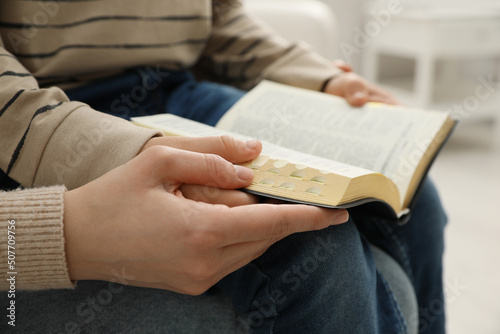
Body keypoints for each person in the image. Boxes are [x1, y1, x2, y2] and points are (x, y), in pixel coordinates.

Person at [0, 0, 447, 333]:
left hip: (177, 90)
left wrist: (320, 77)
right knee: (311, 237)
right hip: (51, 110)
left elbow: (218, 19)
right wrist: (144, 153)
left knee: (413, 191)